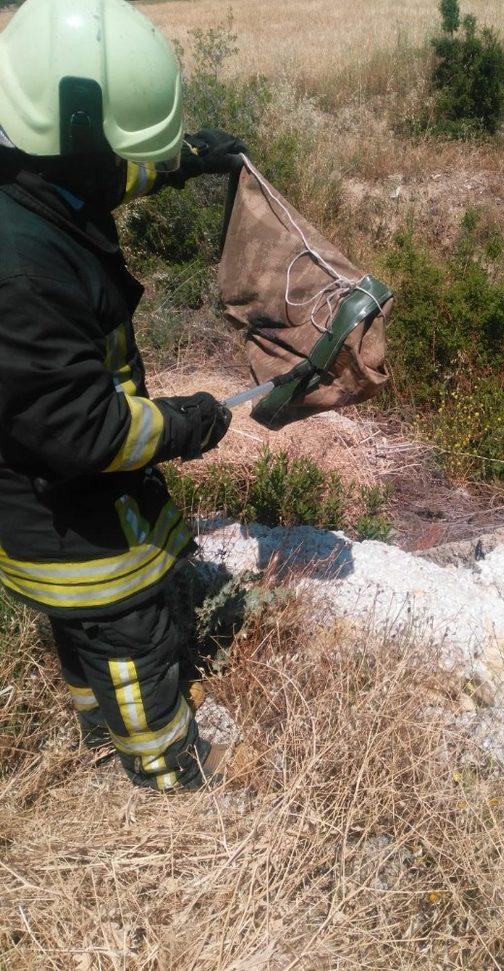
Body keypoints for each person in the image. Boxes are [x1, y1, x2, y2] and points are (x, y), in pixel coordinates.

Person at [0, 0, 247, 790]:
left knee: (86, 641)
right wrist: (188, 424)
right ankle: (164, 771)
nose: (120, 174)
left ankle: (94, 733)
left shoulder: (28, 163)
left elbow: (97, 172)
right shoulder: (21, 270)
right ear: (72, 123)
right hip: (71, 529)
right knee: (129, 640)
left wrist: (187, 160)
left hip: (38, 514)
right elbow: (86, 433)